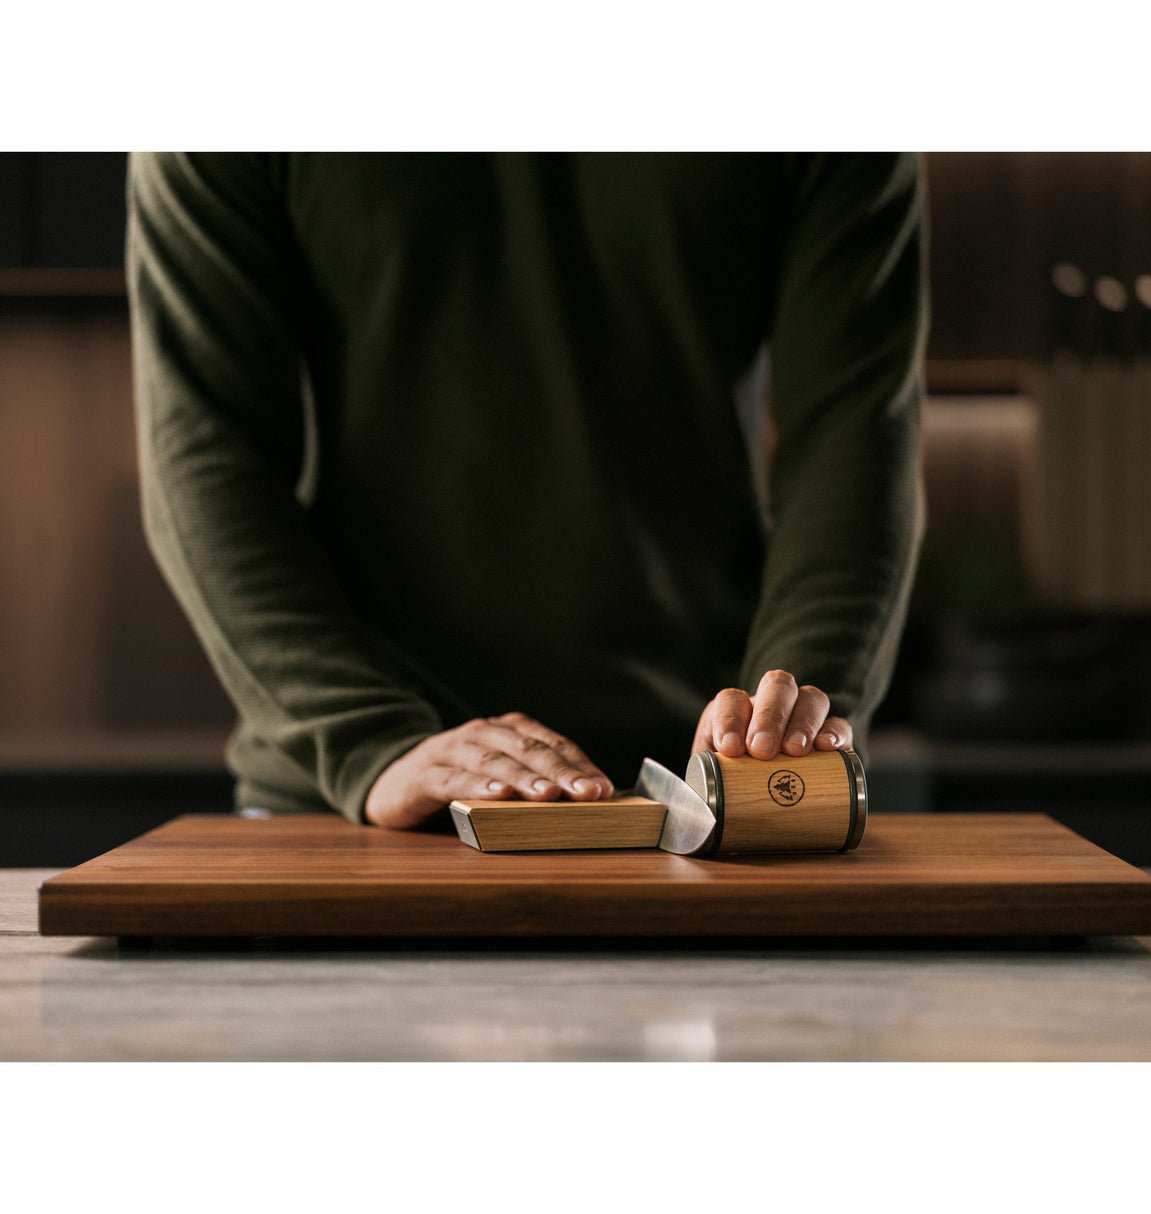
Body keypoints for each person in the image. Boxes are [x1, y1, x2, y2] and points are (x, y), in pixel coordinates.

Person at [127, 153, 925, 830]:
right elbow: (207, 456)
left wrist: (777, 727)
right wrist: (369, 740)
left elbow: (854, 438)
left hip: (693, 797)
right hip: (359, 805)